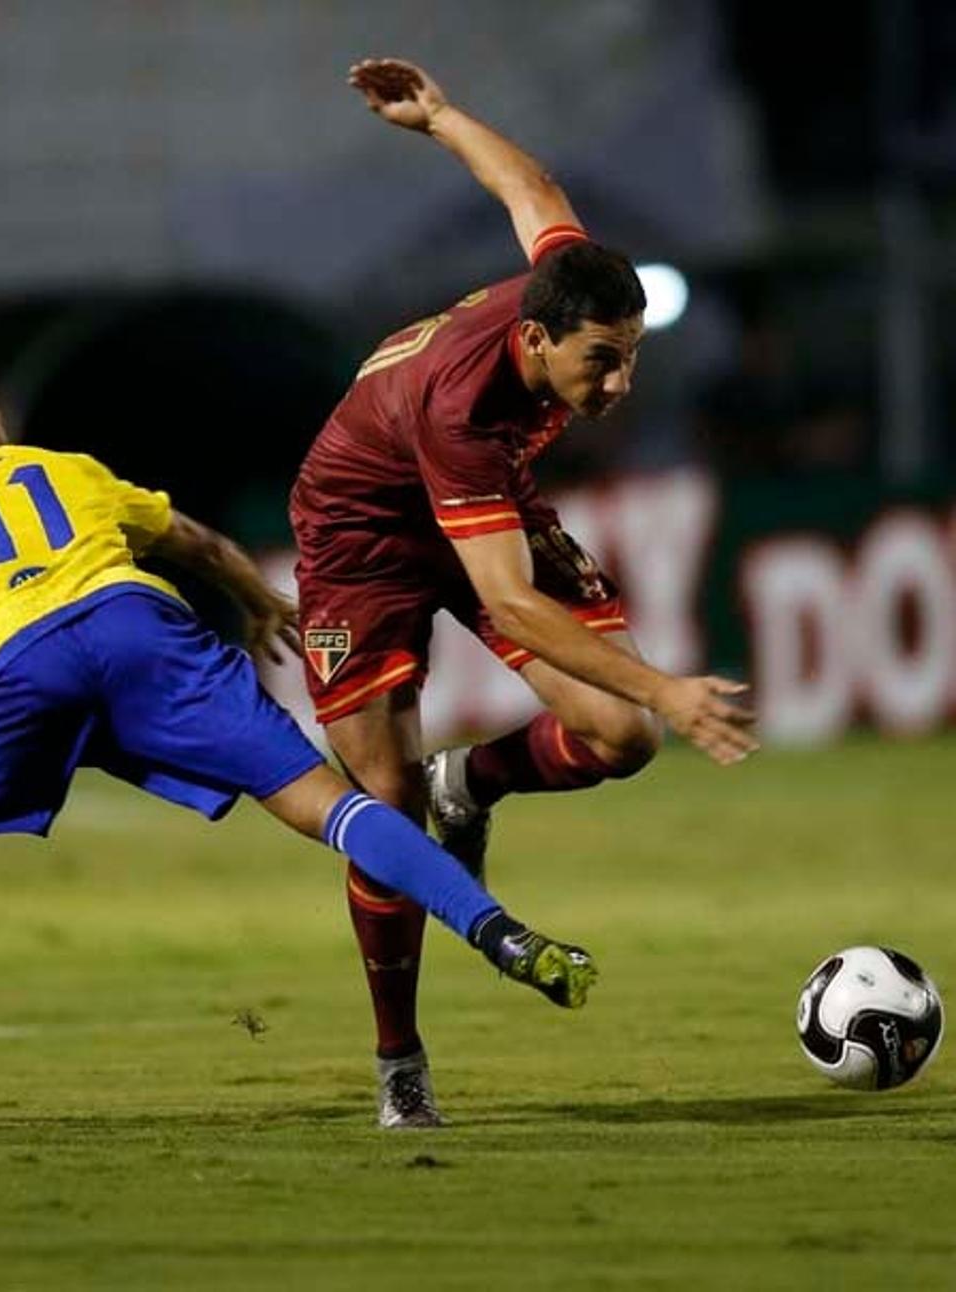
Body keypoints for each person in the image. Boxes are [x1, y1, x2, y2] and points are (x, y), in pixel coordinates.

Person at [0, 353, 599, 1140]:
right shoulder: (62, 467)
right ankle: (500, 932)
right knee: (335, 804)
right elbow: (193, 540)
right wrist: (259, 600)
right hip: (137, 630)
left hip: (6, 674)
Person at [290, 60, 757, 1130]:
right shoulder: (466, 406)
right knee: (385, 811)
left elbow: (535, 192)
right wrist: (671, 686)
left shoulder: (561, 288)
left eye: (632, 358)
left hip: (478, 502)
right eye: (603, 362)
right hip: (363, 535)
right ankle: (399, 1059)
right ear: (537, 340)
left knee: (617, 736)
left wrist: (441, 115)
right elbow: (510, 600)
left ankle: (473, 781)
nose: (619, 386)